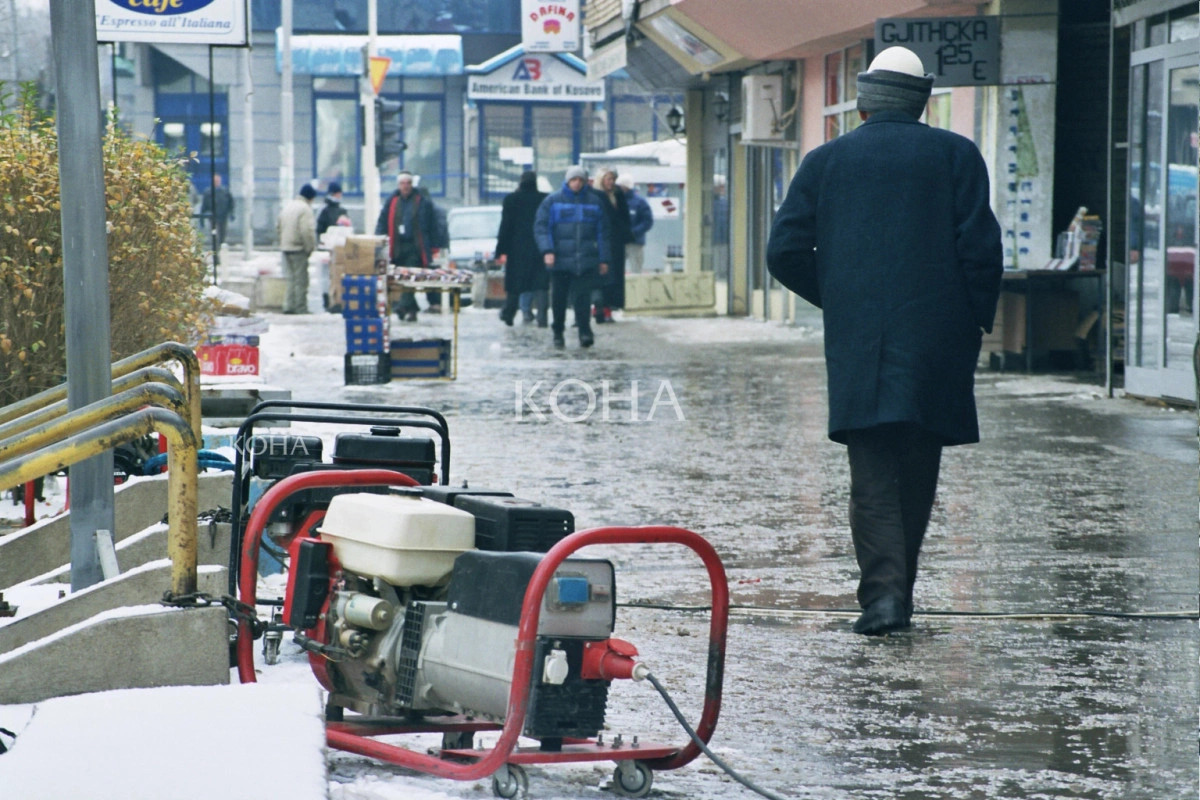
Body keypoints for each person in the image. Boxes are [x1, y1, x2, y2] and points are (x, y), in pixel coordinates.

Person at [765, 46, 1003, 637]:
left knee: (871, 470)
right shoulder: (957, 155)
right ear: (922, 98)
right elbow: (981, 250)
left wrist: (840, 299)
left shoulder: (826, 161)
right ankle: (901, 595)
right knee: (918, 466)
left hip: (861, 340)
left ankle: (883, 601)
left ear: (866, 100)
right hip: (938, 338)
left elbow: (784, 252)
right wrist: (974, 320)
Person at [534, 165, 610, 348]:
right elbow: (542, 228)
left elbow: (603, 233)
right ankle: (558, 332)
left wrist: (604, 258)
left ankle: (585, 331)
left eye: (580, 180)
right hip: (560, 260)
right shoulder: (552, 201)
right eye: (573, 180)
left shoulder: (594, 202)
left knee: (583, 299)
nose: (576, 184)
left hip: (585, 260)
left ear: (585, 182)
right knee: (559, 299)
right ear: (567, 181)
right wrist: (548, 251)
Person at [376, 171, 436, 321]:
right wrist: (378, 239)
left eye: (408, 183)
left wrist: (434, 246)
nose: (405, 187)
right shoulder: (392, 201)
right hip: (397, 246)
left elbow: (432, 225)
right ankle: (412, 308)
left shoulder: (421, 201)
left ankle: (402, 306)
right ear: (398, 185)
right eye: (403, 184)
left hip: (415, 246)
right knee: (401, 277)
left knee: (409, 275)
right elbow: (383, 221)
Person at [496, 170, 548, 327]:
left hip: (516, 248)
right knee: (540, 284)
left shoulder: (511, 199)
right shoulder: (544, 199)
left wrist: (501, 250)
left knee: (514, 285)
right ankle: (542, 318)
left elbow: (505, 226)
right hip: (539, 247)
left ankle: (509, 313)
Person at [592, 167, 631, 323]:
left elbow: (624, 217)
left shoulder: (618, 194)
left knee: (613, 276)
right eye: (608, 179)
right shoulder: (594, 195)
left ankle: (609, 307)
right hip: (600, 240)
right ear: (601, 179)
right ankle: (599, 306)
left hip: (616, 241)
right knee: (601, 275)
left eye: (613, 179)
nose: (611, 182)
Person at [277, 184, 318, 314]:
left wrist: (282, 242)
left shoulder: (289, 205)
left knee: (290, 279)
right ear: (310, 197)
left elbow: (278, 226)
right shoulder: (305, 209)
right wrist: (309, 247)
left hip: (286, 247)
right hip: (298, 248)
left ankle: (288, 306)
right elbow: (307, 231)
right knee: (301, 280)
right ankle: (301, 308)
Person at [617, 173, 654, 273]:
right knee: (616, 273)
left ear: (626, 187)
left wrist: (634, 232)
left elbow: (648, 221)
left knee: (636, 273)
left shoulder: (640, 202)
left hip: (635, 243)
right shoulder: (615, 201)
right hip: (618, 243)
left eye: (620, 186)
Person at [200, 174, 234, 249]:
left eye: (218, 181)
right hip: (213, 216)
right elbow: (204, 206)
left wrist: (231, 213)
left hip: (223, 216)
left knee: (222, 233)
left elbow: (231, 203)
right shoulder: (208, 192)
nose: (216, 182)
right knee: (214, 233)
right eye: (215, 181)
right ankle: (215, 247)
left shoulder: (225, 191)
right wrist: (202, 218)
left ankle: (221, 245)